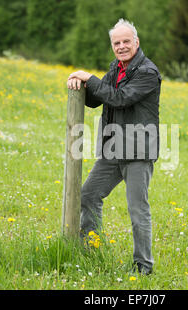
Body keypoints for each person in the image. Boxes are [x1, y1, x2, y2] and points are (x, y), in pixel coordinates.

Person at [67, 18, 161, 275]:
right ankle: (90, 251)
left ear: (136, 42)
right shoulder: (116, 68)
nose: (121, 46)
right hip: (114, 151)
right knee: (88, 195)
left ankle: (143, 267)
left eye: (126, 41)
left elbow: (120, 99)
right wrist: (81, 86)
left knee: (137, 210)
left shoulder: (147, 73)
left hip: (138, 153)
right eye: (116, 43)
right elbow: (99, 99)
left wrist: (89, 77)